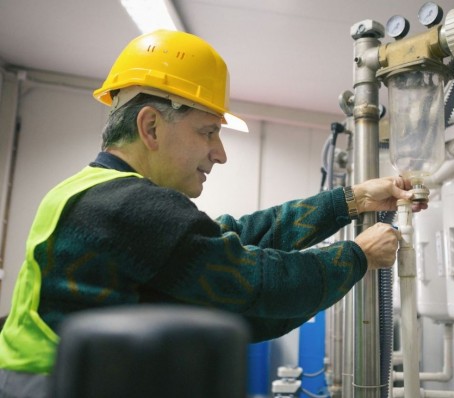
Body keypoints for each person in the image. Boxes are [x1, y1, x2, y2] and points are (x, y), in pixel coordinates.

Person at [0, 30, 425, 397]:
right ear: (150, 127)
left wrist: (351, 200)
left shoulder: (91, 193)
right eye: (207, 132)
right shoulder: (127, 205)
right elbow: (257, 286)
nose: (219, 154)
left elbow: (234, 237)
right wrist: (358, 256)